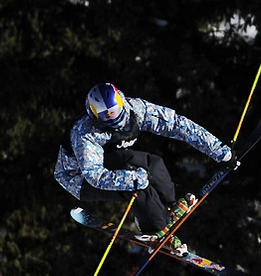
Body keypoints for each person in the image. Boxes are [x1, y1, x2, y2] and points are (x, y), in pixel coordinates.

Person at [54, 82, 238, 255]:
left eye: (115, 110)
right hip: (78, 178)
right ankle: (155, 229)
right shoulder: (86, 132)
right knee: (140, 187)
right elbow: (94, 175)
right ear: (93, 114)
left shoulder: (136, 110)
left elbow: (177, 124)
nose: (112, 117)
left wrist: (220, 152)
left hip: (110, 162)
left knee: (152, 163)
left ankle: (168, 205)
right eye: (104, 115)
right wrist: (133, 179)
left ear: (121, 101)